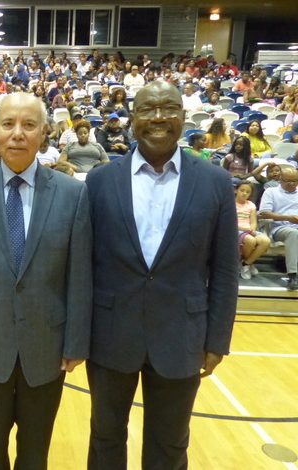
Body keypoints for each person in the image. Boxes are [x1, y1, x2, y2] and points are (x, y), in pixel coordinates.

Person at [85, 81, 239, 469]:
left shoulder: (215, 182)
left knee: (170, 445)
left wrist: (217, 339)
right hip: (109, 333)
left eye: (168, 108)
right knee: (105, 439)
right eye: (147, 109)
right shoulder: (100, 181)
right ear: (132, 118)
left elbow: (224, 268)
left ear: (184, 117)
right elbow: (84, 266)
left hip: (182, 336)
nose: (158, 118)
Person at [0, 92, 92, 470]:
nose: (17, 134)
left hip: (47, 348)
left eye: (29, 125)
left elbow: (79, 275)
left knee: (35, 454)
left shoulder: (73, 194)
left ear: (44, 132)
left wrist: (76, 341)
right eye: (8, 124)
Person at [259, 167, 298, 290]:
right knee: (293, 233)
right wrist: (288, 217)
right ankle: (293, 275)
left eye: (295, 180)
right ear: (280, 179)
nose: (292, 184)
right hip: (281, 228)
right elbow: (264, 213)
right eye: (288, 181)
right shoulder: (271, 192)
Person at [234, 181, 269, 279]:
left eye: (247, 192)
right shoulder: (230, 203)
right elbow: (230, 222)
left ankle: (246, 263)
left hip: (249, 230)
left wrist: (252, 229)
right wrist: (244, 228)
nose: (244, 193)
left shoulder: (251, 205)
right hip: (236, 230)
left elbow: (253, 222)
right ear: (236, 190)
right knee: (250, 240)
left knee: (265, 241)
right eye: (242, 190)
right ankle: (247, 263)